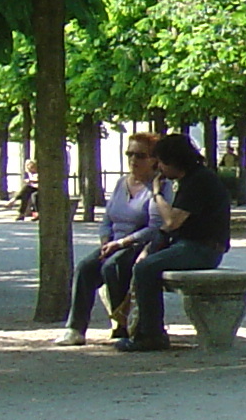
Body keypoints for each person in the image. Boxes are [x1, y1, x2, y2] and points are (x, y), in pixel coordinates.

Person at [119, 131, 232, 352]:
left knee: (145, 270)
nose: (158, 167)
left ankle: (150, 335)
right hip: (191, 244)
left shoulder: (199, 181)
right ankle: (133, 327)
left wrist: (157, 194)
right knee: (138, 263)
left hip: (202, 249)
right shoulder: (191, 178)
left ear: (173, 161)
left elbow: (172, 221)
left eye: (161, 161)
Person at [59, 132, 170, 344]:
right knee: (85, 267)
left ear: (154, 159)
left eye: (140, 155)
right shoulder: (121, 183)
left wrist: (121, 243)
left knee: (113, 266)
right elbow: (107, 218)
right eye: (129, 154)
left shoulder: (159, 187)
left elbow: (155, 228)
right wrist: (105, 238)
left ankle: (125, 324)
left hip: (138, 245)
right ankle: (75, 328)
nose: (133, 160)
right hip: (113, 243)